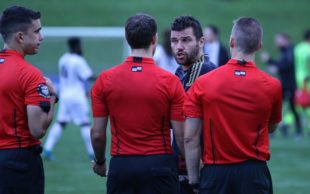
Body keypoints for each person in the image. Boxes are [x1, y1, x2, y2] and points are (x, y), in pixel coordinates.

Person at [184, 17, 282, 194]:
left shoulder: (203, 83)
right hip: (255, 173)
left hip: (216, 173)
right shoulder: (272, 85)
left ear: (231, 41)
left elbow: (190, 137)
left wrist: (193, 180)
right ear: (259, 45)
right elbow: (272, 127)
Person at [91, 13, 185, 194]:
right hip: (160, 166)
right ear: (154, 38)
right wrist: (195, 171)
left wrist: (100, 162)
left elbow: (97, 134)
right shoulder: (170, 81)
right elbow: (181, 137)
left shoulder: (105, 80)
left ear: (127, 39)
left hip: (122, 166)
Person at [0, 6, 57, 194]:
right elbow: (37, 129)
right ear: (20, 36)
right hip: (17, 164)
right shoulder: (30, 75)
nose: (41, 37)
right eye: (37, 31)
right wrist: (52, 97)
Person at [170, 15, 215, 194]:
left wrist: (195, 173)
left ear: (201, 41)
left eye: (186, 40)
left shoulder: (204, 70)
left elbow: (186, 125)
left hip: (196, 166)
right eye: (174, 41)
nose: (179, 47)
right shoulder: (180, 71)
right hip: (183, 164)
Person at [43, 37, 95, 160]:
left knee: (61, 122)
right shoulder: (78, 60)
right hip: (76, 96)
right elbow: (88, 76)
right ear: (77, 46)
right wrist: (105, 77)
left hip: (65, 95)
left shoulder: (63, 59)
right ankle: (92, 153)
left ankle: (47, 150)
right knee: (85, 124)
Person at [261, 33, 302, 137]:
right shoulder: (285, 51)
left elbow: (288, 65)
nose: (276, 42)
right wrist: (269, 60)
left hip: (289, 85)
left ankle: (297, 131)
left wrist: (276, 67)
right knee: (280, 107)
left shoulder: (290, 50)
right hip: (285, 84)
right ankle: (282, 130)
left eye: (278, 40)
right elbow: (281, 64)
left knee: (290, 108)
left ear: (285, 40)